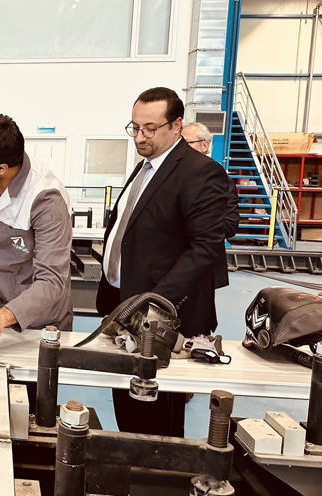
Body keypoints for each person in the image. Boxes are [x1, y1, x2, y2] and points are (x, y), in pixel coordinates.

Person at [97, 87, 229, 437]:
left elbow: (204, 248)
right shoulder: (146, 168)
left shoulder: (199, 172)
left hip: (162, 318)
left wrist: (154, 302)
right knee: (128, 409)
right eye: (135, 127)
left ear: (176, 125)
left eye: (150, 128)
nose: (140, 136)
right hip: (125, 310)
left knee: (157, 424)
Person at [0, 114, 73, 361]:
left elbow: (52, 281)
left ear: (1, 168)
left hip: (40, 319)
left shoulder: (46, 198)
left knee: (35, 382)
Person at [182, 122, 240, 292]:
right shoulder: (174, 178)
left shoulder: (220, 180)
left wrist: (193, 228)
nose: (181, 149)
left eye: (187, 143)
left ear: (205, 145)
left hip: (201, 265)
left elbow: (230, 225)